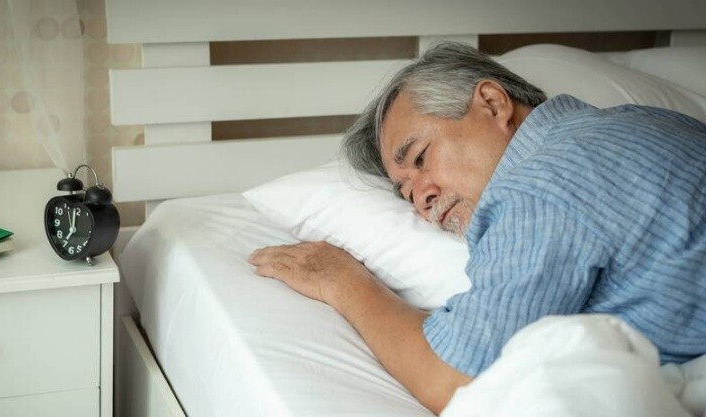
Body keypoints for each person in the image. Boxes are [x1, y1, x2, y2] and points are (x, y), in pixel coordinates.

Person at [248, 42, 706, 414]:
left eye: (421, 158)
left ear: (492, 103)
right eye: (406, 194)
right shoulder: (642, 121)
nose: (422, 200)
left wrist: (343, 281)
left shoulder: (538, 188)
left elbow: (457, 379)